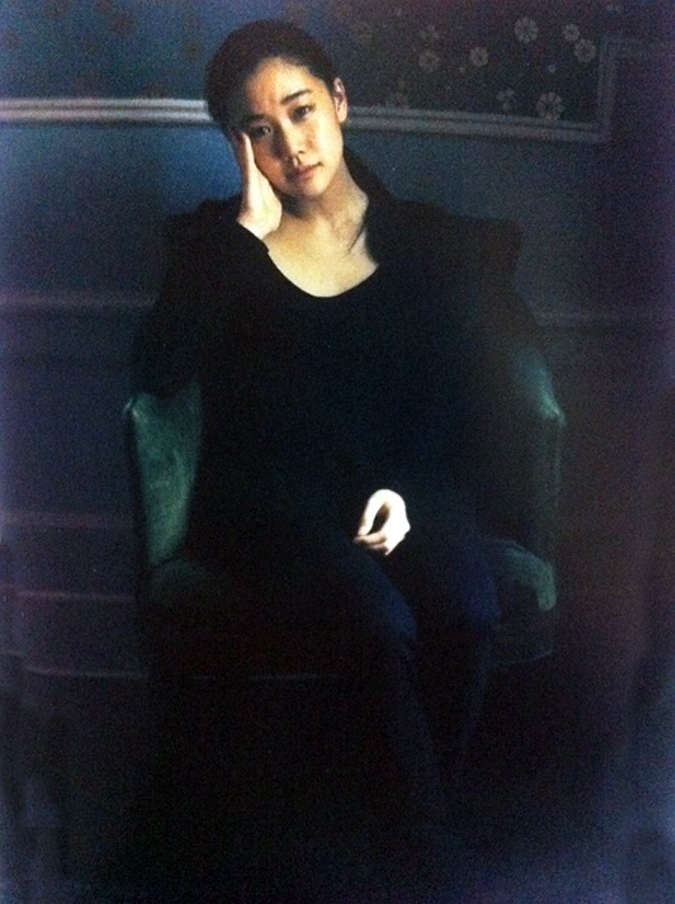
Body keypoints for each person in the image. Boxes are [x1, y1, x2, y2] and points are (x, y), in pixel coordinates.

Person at [133, 18, 502, 849]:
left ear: (338, 101)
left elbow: (453, 392)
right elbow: (156, 370)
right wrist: (245, 233)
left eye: (300, 111)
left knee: (469, 614)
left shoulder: (424, 240)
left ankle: (408, 803)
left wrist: (404, 490)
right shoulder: (216, 243)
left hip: (400, 483)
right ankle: (423, 843)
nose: (290, 145)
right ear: (236, 146)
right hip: (272, 500)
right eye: (258, 130)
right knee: (380, 625)